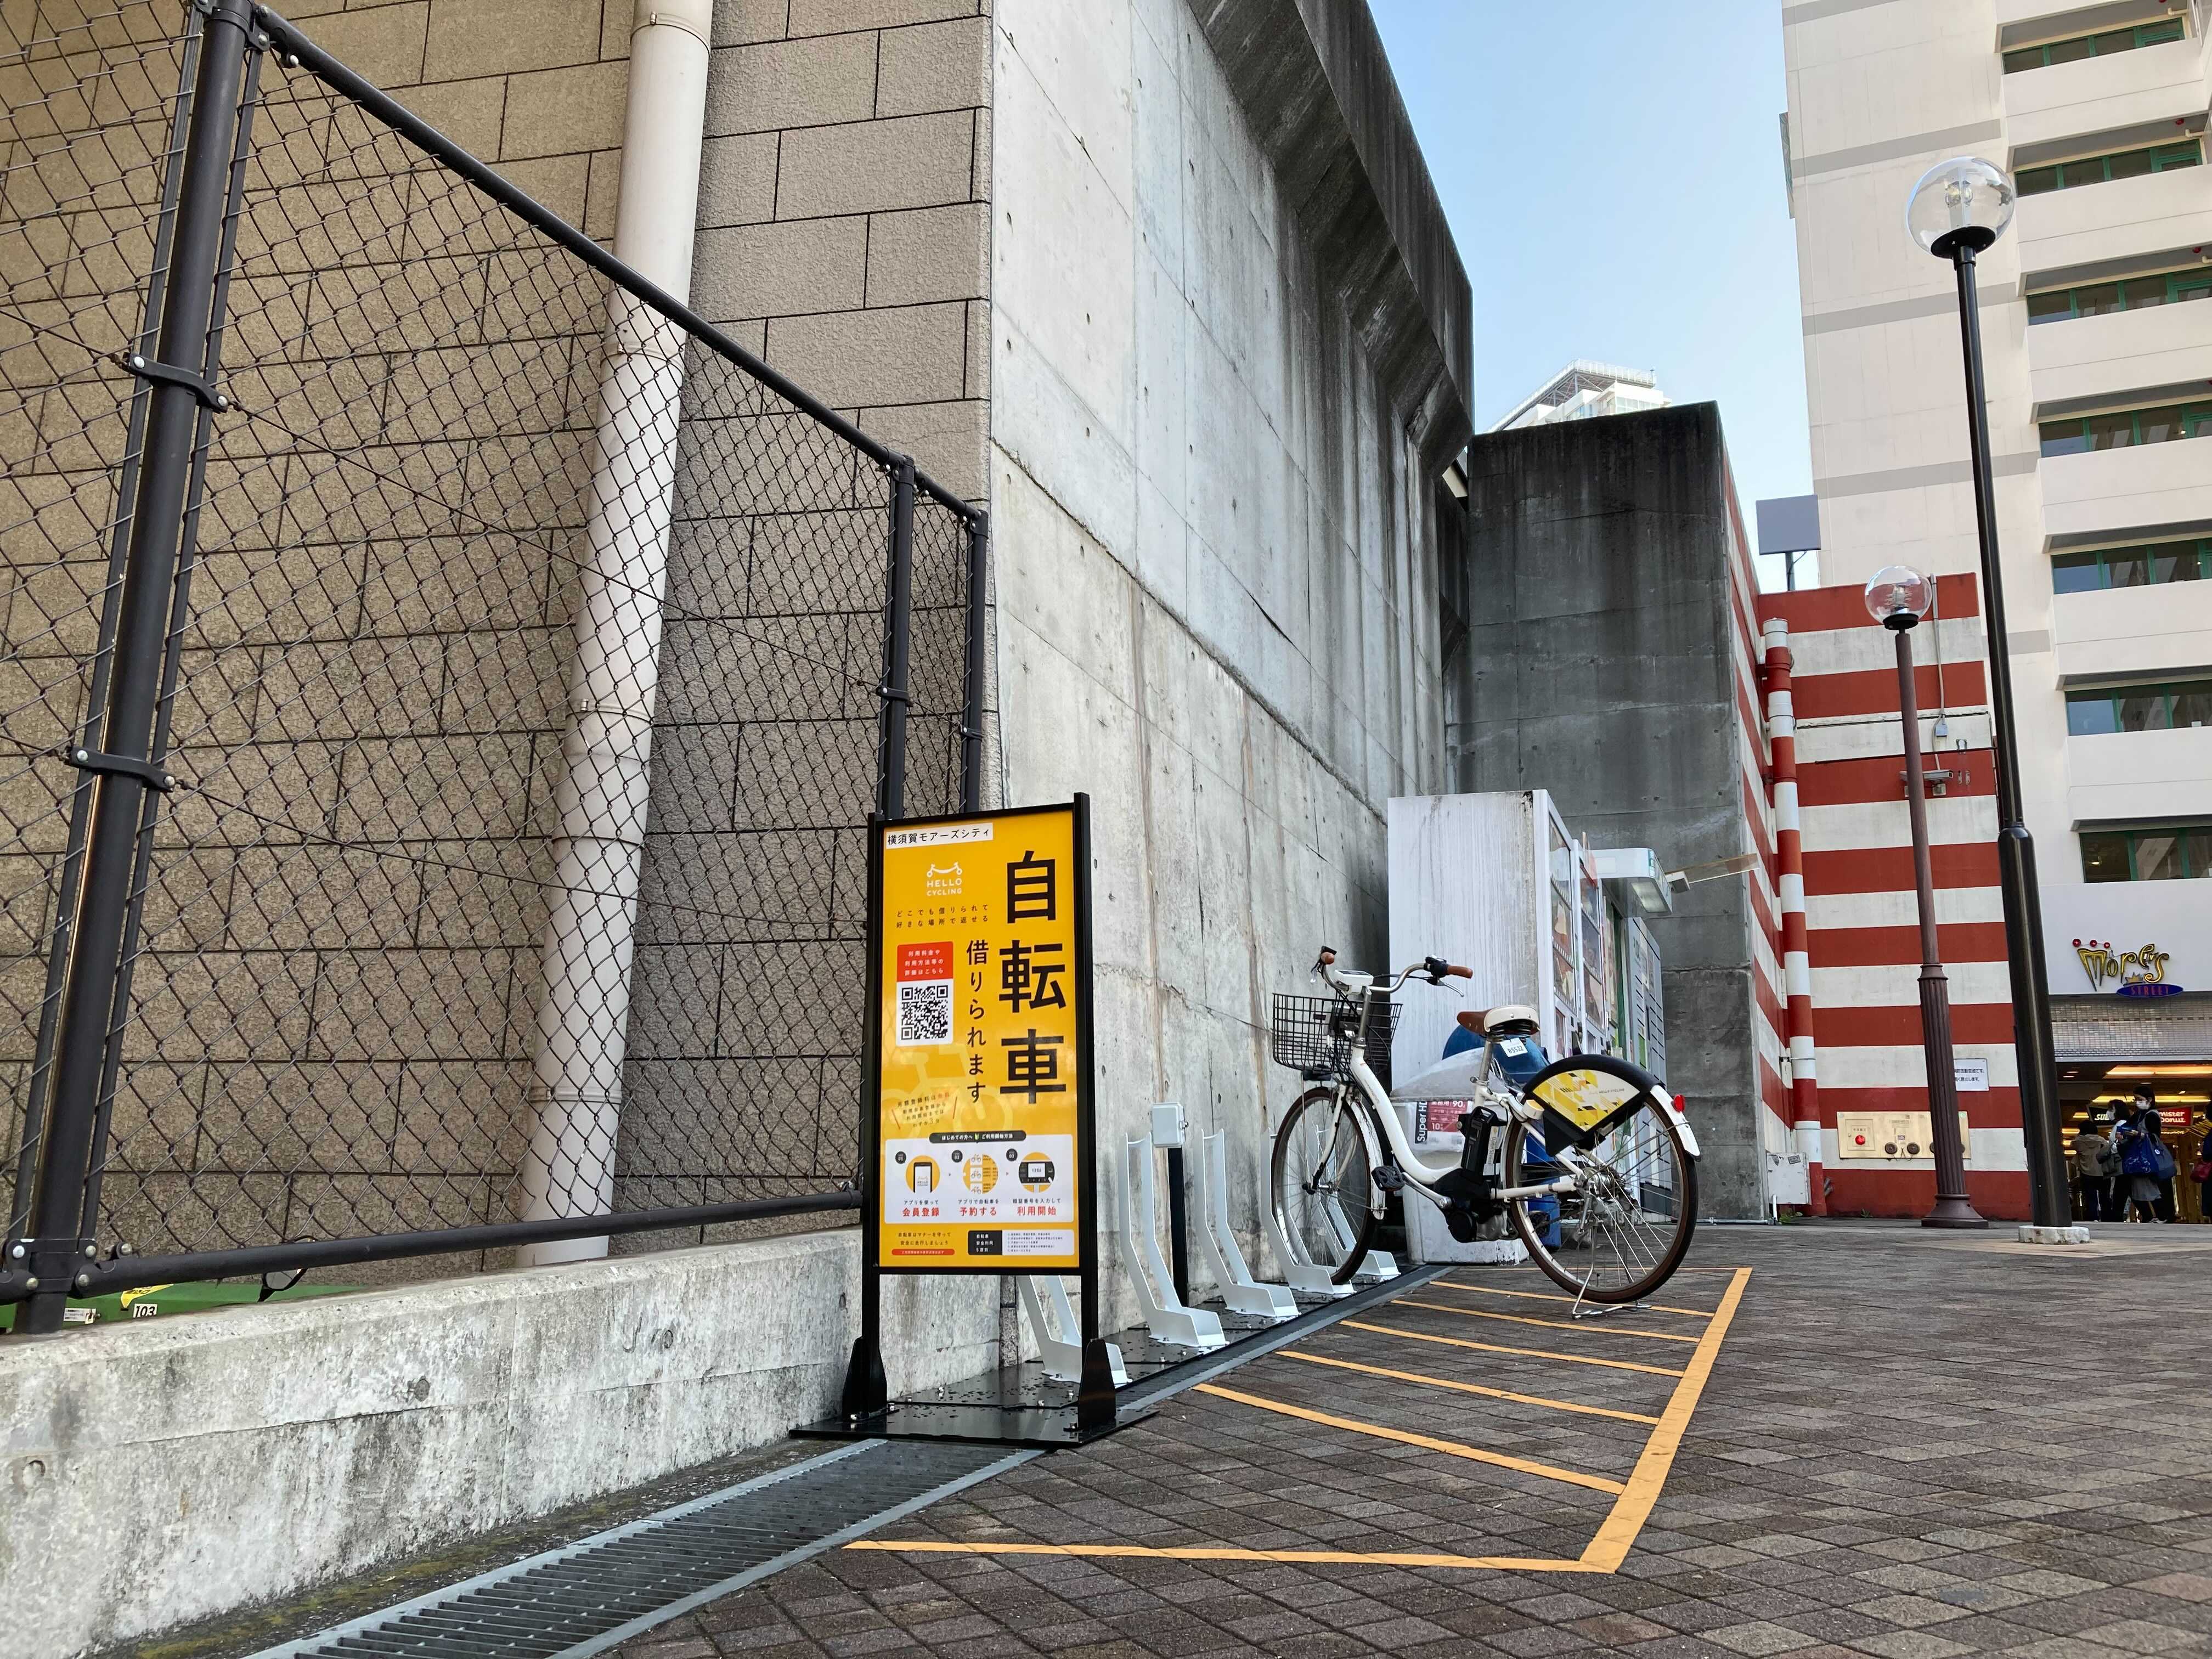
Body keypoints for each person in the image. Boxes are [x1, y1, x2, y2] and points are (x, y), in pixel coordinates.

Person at [2114, 1091, 2169, 1223]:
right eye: (2135, 1099)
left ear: (2149, 1099)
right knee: (2139, 1188)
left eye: (2139, 1099)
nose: (2137, 1102)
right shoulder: (2138, 1115)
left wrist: (2138, 1134)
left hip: (2146, 1157)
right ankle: (2153, 1216)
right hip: (2139, 1157)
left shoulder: (2151, 1116)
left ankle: (2160, 1216)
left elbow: (2155, 1136)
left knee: (2148, 1187)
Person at [2073, 1119, 2111, 1222]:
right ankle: (2106, 1217)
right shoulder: (2101, 1141)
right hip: (2102, 1172)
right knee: (2105, 1198)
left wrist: (2079, 1136)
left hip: (2087, 1173)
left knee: (2091, 1197)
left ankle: (2093, 1217)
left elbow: (2073, 1144)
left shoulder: (2078, 1142)